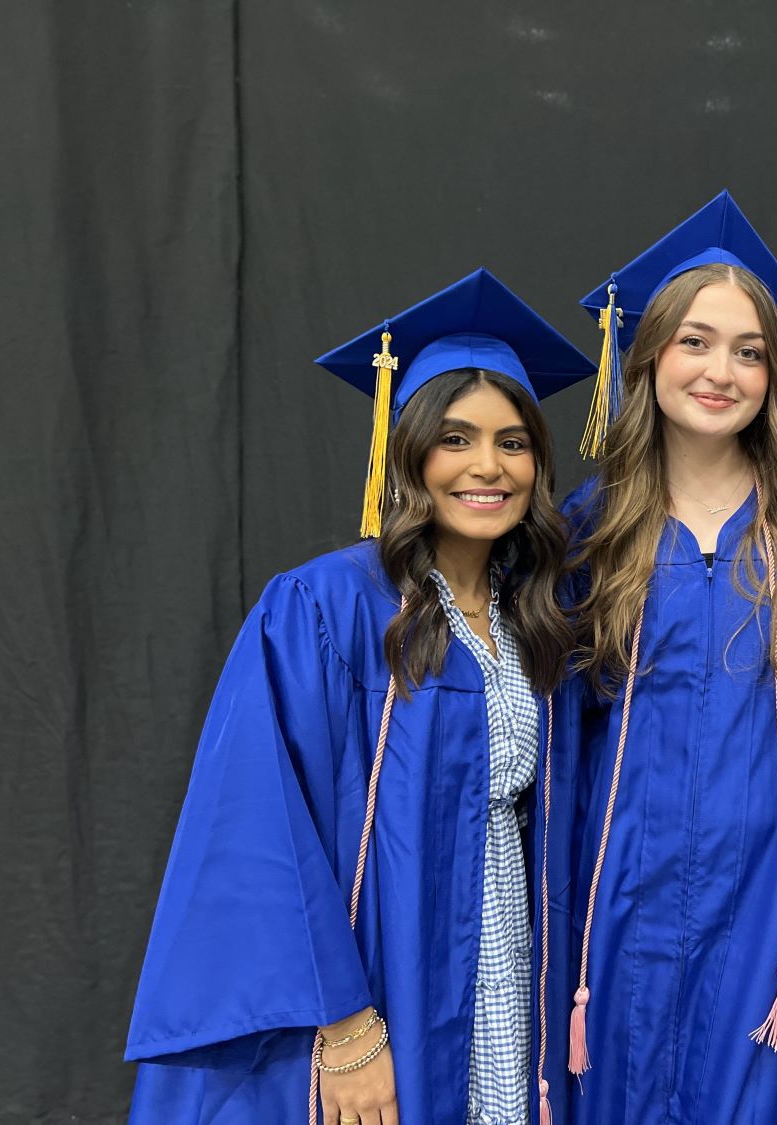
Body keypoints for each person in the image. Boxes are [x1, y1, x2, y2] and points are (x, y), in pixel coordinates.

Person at [124, 269, 596, 1125]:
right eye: (455, 438)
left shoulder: (538, 610)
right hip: (385, 968)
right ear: (408, 450)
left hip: (506, 956)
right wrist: (343, 1024)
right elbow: (259, 823)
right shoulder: (326, 606)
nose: (488, 465)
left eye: (513, 442)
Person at [538, 191, 777, 1125]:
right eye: (694, 341)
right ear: (646, 358)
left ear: (775, 374)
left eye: (748, 349)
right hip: (619, 901)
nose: (720, 370)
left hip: (774, 902)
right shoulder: (588, 528)